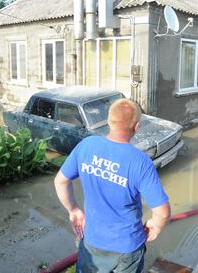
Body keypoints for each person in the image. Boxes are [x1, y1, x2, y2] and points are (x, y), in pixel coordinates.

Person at [54, 98, 171, 273]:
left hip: (92, 240)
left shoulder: (87, 146)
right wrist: (156, 225)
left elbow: (60, 181)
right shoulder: (140, 162)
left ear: (109, 121)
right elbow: (162, 212)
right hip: (127, 247)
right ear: (137, 127)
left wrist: (74, 210)